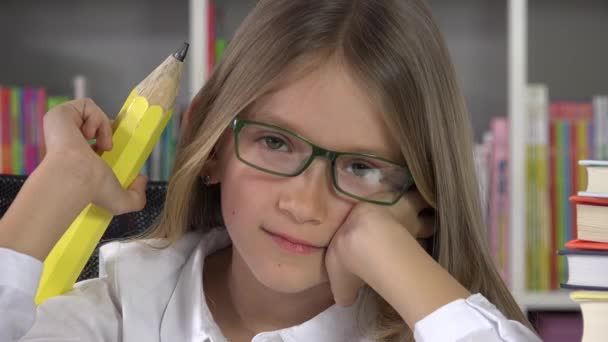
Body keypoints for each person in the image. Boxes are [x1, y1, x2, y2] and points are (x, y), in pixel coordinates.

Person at [0, 0, 541, 341]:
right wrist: (60, 182)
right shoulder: (121, 312)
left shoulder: (427, 326)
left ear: (423, 204)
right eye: (276, 143)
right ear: (210, 146)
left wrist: (398, 261)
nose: (304, 205)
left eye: (361, 167)